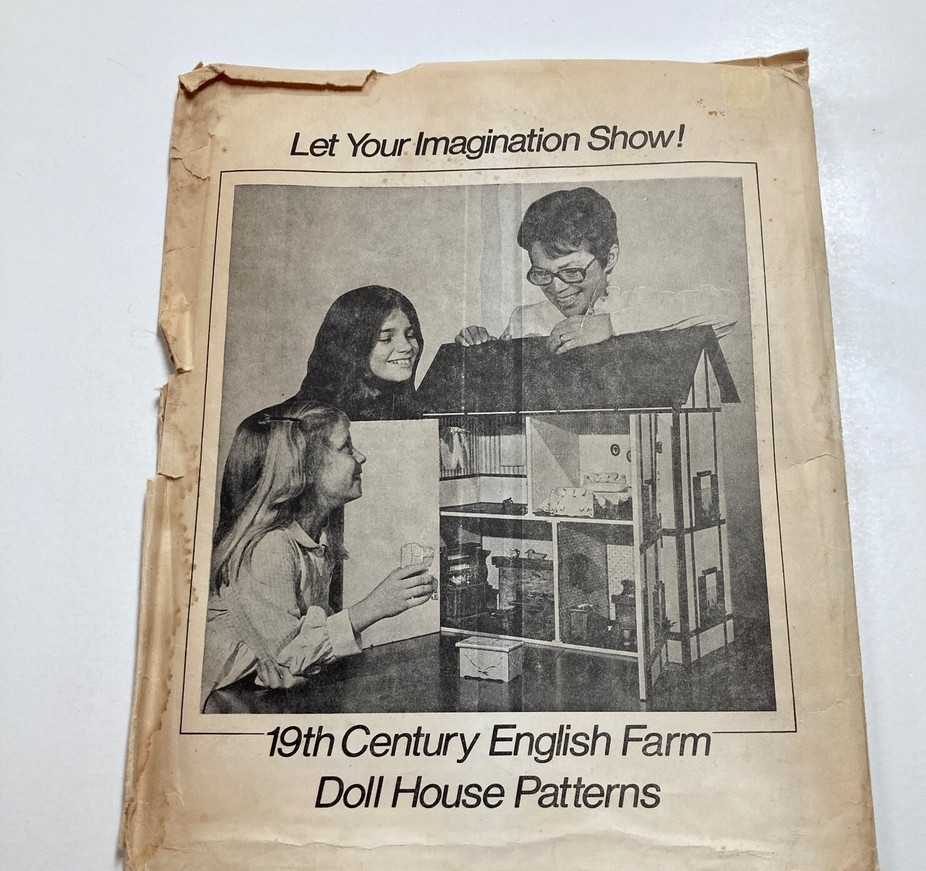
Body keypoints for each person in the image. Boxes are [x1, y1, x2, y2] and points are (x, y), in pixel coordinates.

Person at [202, 399, 435, 709]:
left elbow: (296, 659)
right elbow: (290, 657)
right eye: (346, 447)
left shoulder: (316, 539)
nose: (361, 456)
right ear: (307, 467)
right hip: (226, 705)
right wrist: (373, 608)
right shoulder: (269, 548)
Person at [455, 186, 738, 355]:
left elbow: (727, 307)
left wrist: (611, 325)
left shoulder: (634, 304)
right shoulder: (524, 320)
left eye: (571, 272)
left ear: (609, 258)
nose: (556, 288)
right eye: (542, 274)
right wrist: (483, 349)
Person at [297, 285, 424, 420]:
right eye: (385, 338)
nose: (406, 347)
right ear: (351, 346)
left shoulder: (401, 408)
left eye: (410, 335)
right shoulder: (306, 417)